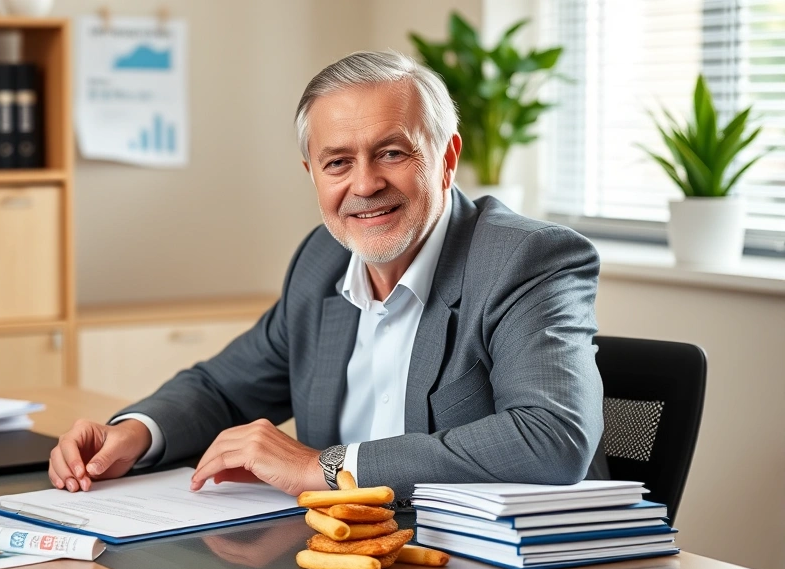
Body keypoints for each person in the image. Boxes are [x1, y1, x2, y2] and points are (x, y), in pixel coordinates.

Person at [49, 50, 606, 499]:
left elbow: (550, 436)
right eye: (337, 162)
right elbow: (223, 387)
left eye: (391, 153)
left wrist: (328, 466)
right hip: (343, 549)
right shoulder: (323, 259)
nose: (364, 186)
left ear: (447, 157)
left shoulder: (527, 260)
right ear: (312, 173)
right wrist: (135, 433)